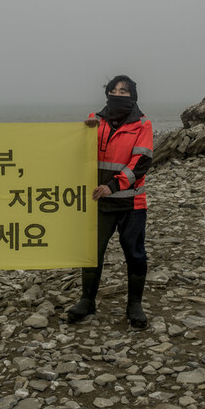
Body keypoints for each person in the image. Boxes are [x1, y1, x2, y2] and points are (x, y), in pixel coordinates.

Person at [67, 74, 153, 328]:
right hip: (99, 203)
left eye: (124, 91)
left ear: (133, 96)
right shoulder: (95, 120)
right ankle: (87, 300)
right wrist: (81, 134)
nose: (118, 94)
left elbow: (142, 162)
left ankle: (134, 305)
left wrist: (113, 185)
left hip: (131, 204)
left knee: (135, 254)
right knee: (92, 254)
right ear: (107, 93)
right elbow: (79, 154)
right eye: (114, 90)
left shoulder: (143, 124)